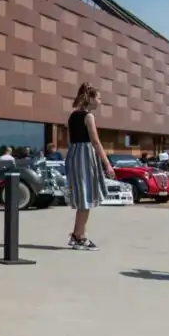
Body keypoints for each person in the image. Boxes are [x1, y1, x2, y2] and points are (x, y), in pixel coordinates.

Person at [65, 82, 114, 251]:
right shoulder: (88, 117)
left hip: (73, 155)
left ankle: (77, 234)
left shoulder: (72, 116)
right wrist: (107, 164)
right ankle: (79, 237)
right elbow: (95, 141)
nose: (100, 101)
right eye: (98, 98)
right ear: (91, 98)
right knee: (86, 197)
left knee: (82, 197)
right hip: (85, 156)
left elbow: (70, 140)